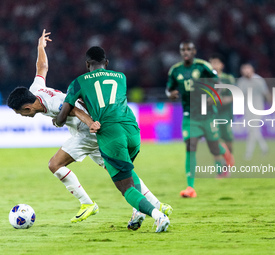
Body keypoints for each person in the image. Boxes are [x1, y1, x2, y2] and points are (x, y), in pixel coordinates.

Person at [7, 30, 172, 229]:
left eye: (20, 113)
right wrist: (40, 47)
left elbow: (75, 110)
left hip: (88, 131)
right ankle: (155, 204)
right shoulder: (34, 90)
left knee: (55, 164)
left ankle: (88, 203)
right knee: (120, 170)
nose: (22, 116)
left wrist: (90, 123)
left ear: (27, 107)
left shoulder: (55, 103)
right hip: (100, 130)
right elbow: (42, 67)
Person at [55, 46, 170, 232]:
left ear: (87, 64)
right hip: (132, 130)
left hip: (111, 133)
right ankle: (138, 211)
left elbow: (62, 117)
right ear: (106, 63)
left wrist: (57, 120)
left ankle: (158, 216)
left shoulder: (78, 82)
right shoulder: (121, 77)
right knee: (129, 174)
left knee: (125, 187)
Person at [166, 41, 230, 198]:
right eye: (183, 50)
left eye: (189, 49)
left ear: (194, 51)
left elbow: (219, 84)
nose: (186, 52)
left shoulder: (203, 66)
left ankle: (225, 154)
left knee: (214, 148)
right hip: (190, 116)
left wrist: (214, 96)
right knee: (190, 146)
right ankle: (190, 187)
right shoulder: (175, 70)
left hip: (207, 115)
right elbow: (168, 89)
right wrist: (170, 95)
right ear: (180, 52)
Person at [237, 63, 271, 160]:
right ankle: (264, 148)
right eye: (244, 70)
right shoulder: (241, 81)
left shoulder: (258, 80)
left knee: (252, 130)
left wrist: (271, 104)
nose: (246, 72)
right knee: (253, 130)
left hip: (257, 107)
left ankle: (249, 153)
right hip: (247, 108)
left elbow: (266, 93)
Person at [209, 54, 235, 169]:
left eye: (216, 63)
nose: (214, 65)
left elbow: (235, 94)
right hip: (212, 114)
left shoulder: (228, 78)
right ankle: (219, 168)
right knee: (214, 141)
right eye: (212, 63)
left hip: (226, 113)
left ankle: (228, 161)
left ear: (221, 65)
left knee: (228, 140)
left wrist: (227, 99)